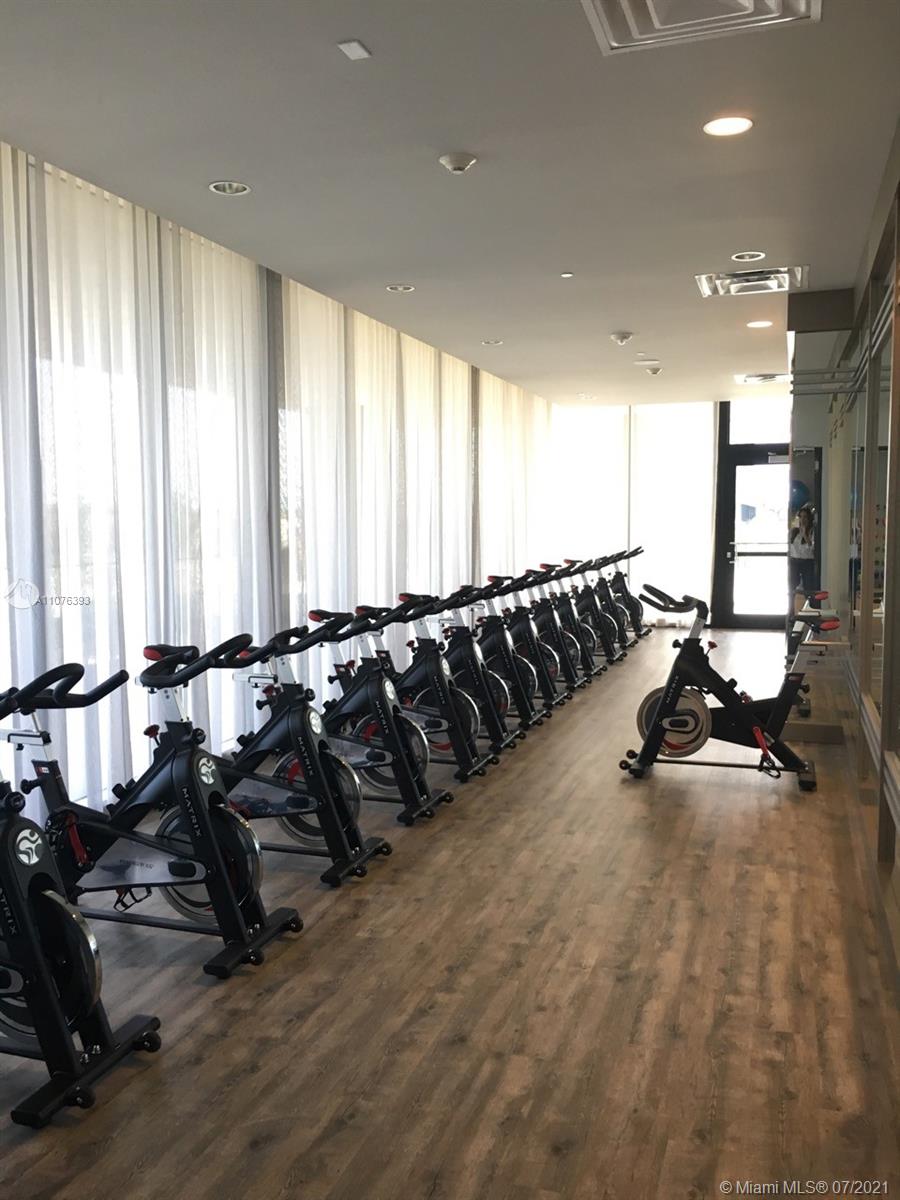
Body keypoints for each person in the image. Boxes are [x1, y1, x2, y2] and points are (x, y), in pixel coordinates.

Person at [789, 503, 816, 609]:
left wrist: (805, 534)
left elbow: (812, 548)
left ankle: (811, 610)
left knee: (808, 588)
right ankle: (791, 611)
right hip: (794, 561)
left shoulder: (812, 531)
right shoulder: (795, 531)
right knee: (791, 587)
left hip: (807, 562)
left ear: (809, 518)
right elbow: (791, 547)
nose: (803, 519)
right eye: (801, 517)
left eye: (805, 517)